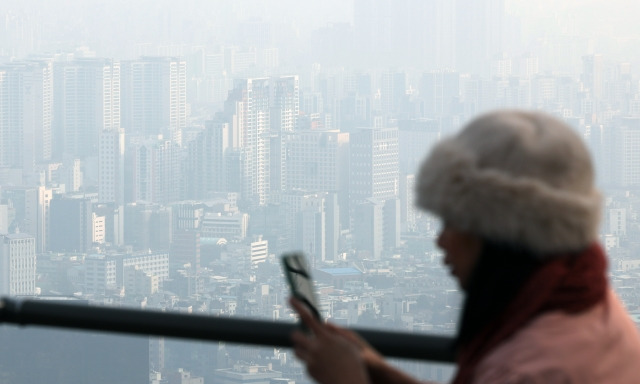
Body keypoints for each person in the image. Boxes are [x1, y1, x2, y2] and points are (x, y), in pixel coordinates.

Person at [289, 110, 640, 384]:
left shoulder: (527, 367)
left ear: (497, 231)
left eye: (452, 222)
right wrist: (375, 368)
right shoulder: (590, 304)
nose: (440, 241)